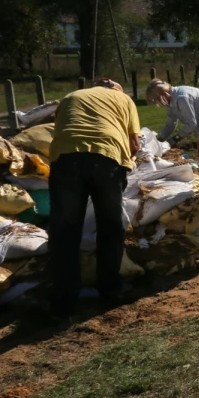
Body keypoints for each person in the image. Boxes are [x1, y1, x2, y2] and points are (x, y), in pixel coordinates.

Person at [48, 78, 141, 319]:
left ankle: (63, 305)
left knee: (65, 232)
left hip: (65, 159)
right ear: (116, 89)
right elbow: (134, 145)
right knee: (111, 226)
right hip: (106, 158)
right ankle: (110, 293)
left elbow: (59, 130)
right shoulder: (124, 99)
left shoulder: (71, 96)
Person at [145, 80, 199, 168]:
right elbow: (171, 123)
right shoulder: (171, 101)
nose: (159, 104)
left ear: (165, 95)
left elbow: (192, 124)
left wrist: (175, 139)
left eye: (157, 101)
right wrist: (160, 139)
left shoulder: (182, 98)